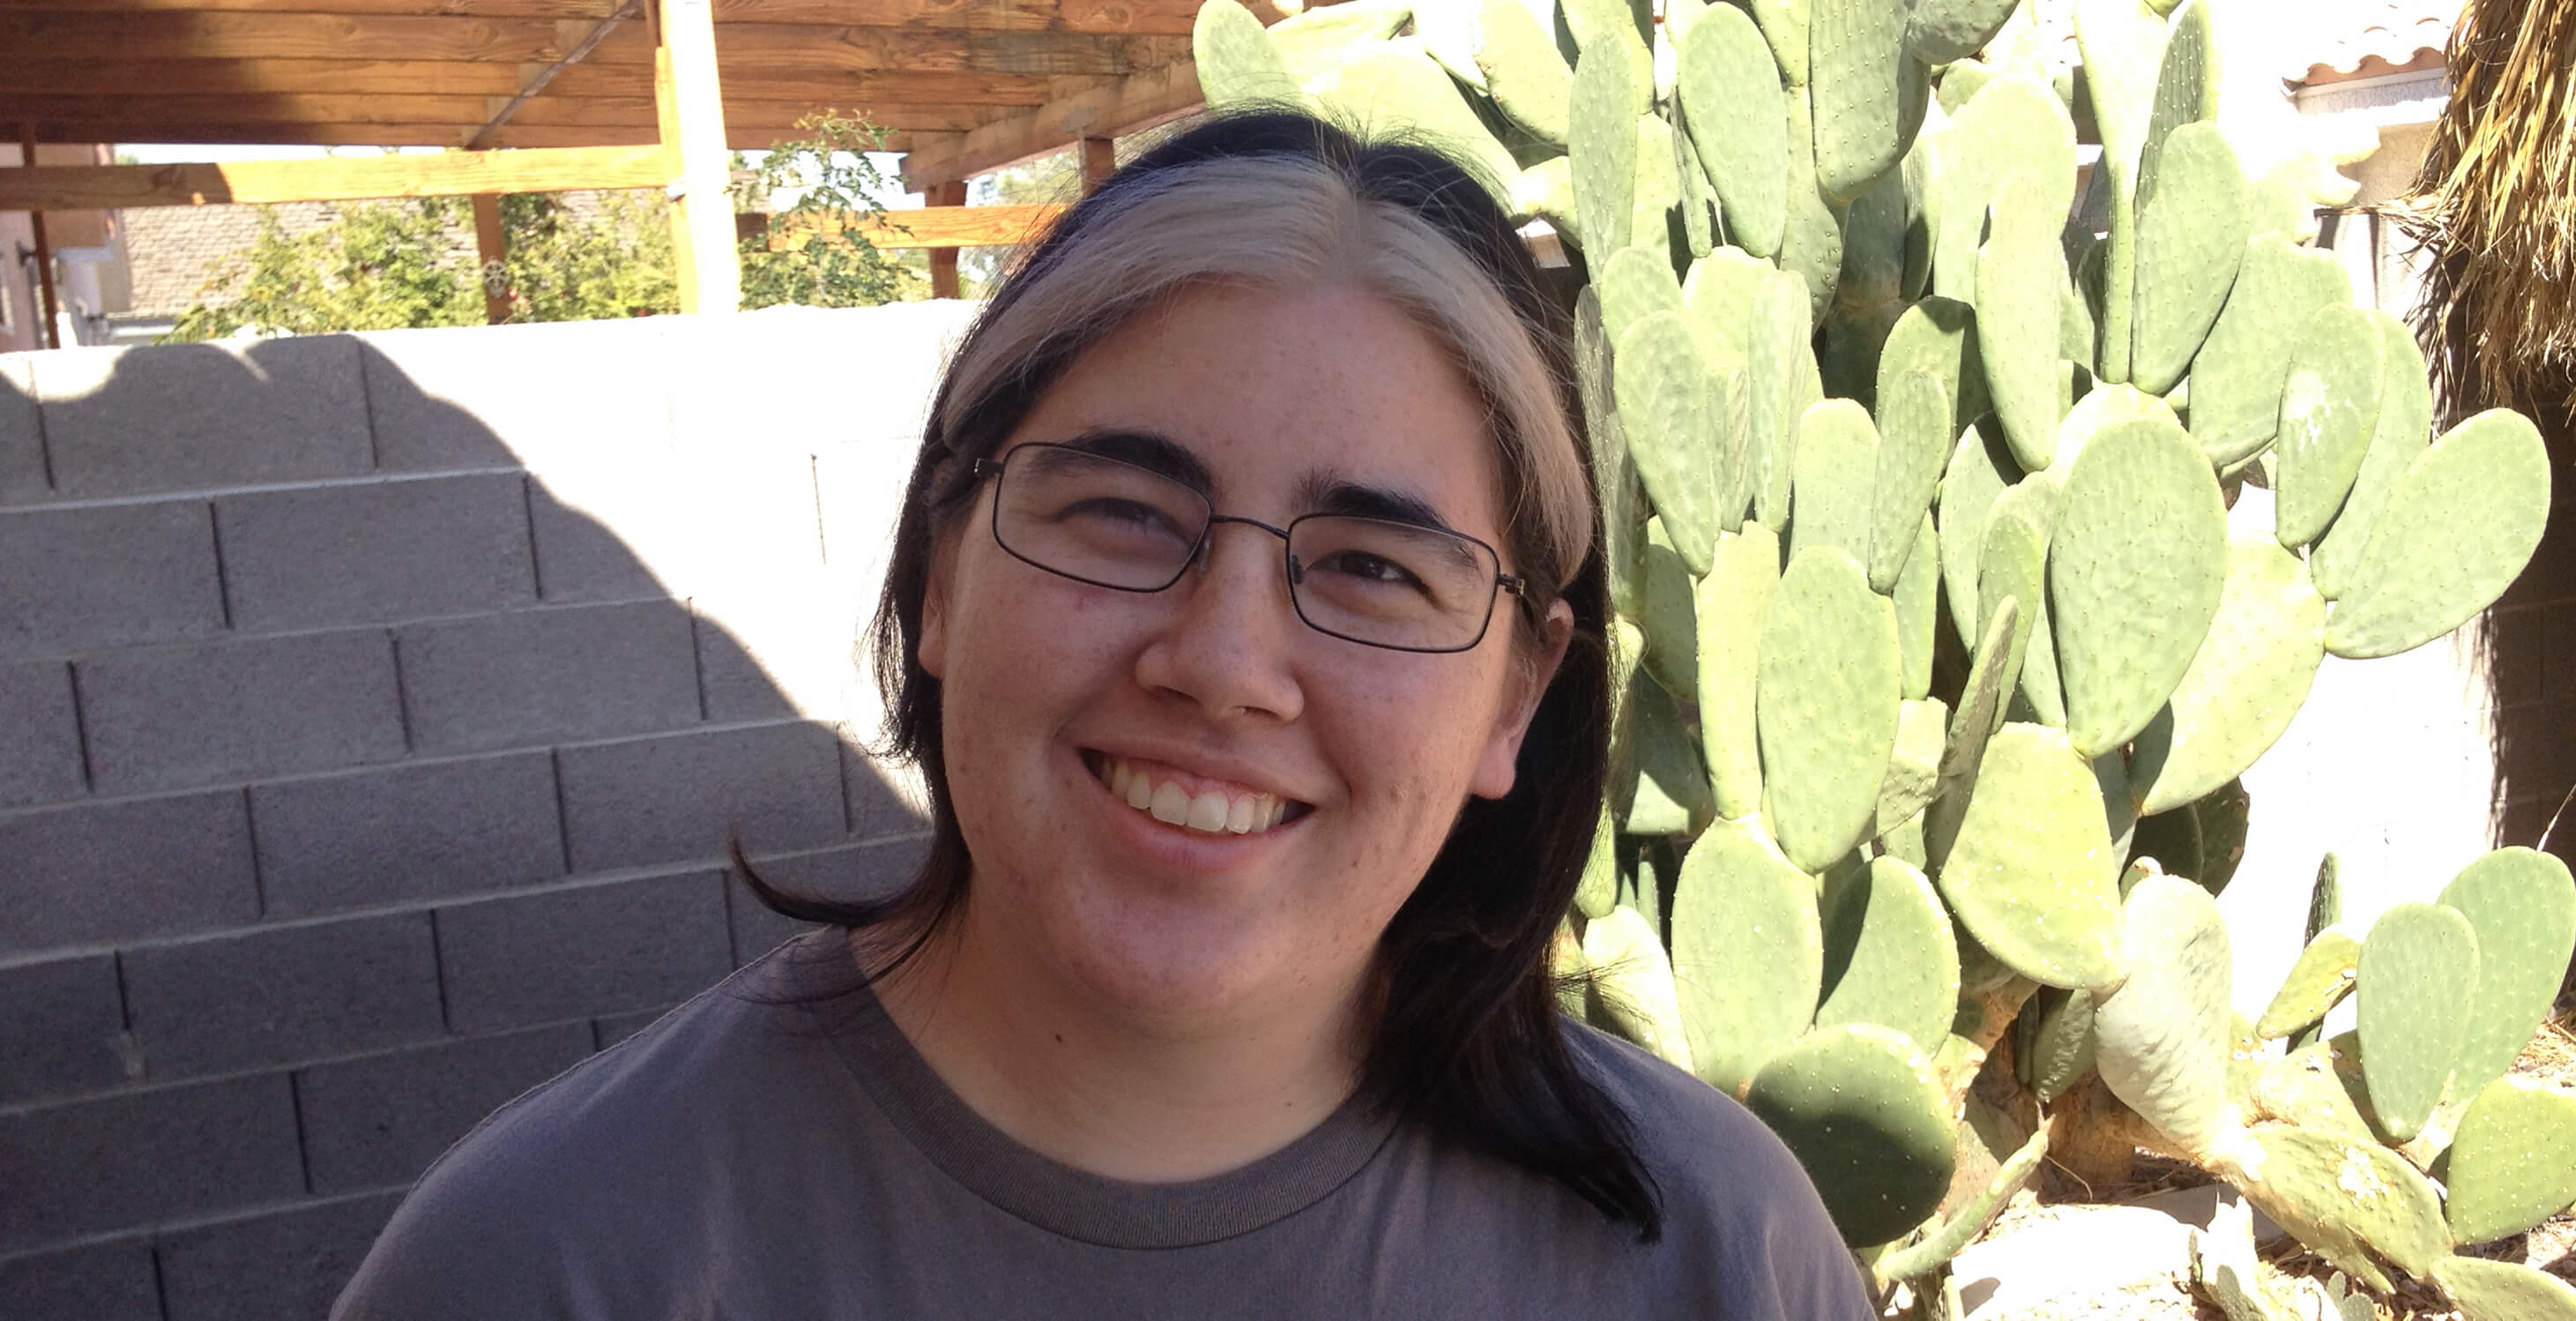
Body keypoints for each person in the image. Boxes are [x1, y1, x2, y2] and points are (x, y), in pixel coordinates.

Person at [333, 111, 1869, 1319]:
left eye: (1375, 566)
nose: (1223, 661)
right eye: (1125, 513)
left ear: (1512, 695)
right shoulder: (542, 1267)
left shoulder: (1719, 1259)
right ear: (942, 576)